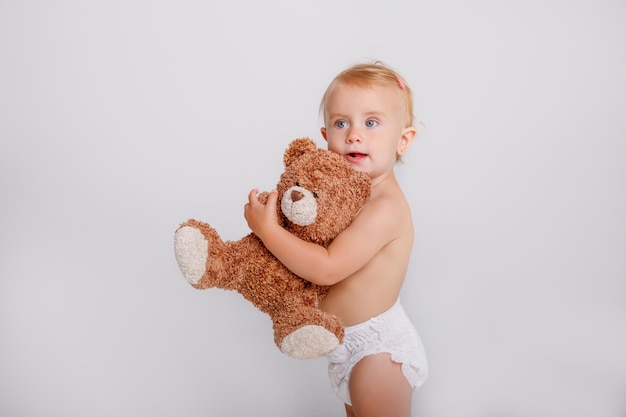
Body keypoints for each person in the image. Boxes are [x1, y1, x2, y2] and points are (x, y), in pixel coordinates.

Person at [244, 61, 428, 417]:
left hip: (378, 348)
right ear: (325, 137)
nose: (354, 134)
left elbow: (327, 269)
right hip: (346, 346)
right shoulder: (344, 197)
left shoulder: (385, 207)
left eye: (371, 123)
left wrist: (268, 230)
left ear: (403, 140)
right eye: (342, 123)